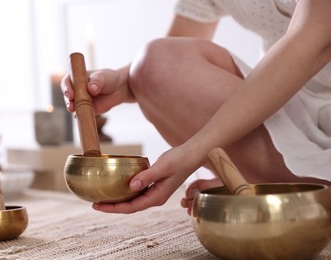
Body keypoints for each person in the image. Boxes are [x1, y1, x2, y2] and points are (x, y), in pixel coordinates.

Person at [61, 0, 331, 214]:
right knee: (158, 62)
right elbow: (174, 52)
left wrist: (194, 151)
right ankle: (278, 185)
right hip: (288, 104)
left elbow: (315, 41)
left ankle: (296, 191)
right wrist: (122, 82)